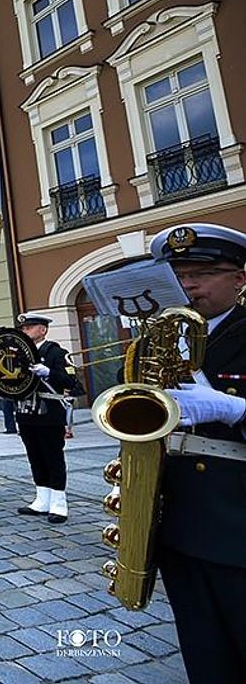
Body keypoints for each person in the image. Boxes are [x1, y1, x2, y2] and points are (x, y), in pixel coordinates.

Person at [147, 223, 246, 683]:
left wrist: (236, 410)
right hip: (180, 524)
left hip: (237, 522)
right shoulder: (166, 339)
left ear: (239, 279)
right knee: (204, 652)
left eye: (202, 274)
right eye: (180, 275)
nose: (188, 286)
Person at [14, 312, 82, 524]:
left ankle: (59, 503)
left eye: (29, 327)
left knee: (53, 457)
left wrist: (49, 372)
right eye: (24, 328)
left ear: (42, 330)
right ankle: (42, 499)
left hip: (49, 413)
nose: (24, 331)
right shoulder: (20, 353)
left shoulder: (56, 352)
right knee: (35, 456)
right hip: (26, 412)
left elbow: (71, 381)